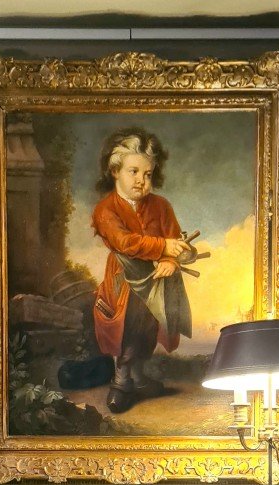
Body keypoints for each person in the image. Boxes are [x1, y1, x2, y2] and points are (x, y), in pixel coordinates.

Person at [91, 128, 193, 413]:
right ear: (115, 171)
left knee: (149, 326)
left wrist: (170, 261)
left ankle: (137, 377)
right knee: (128, 323)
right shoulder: (105, 210)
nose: (141, 180)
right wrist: (163, 247)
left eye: (147, 174)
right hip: (123, 280)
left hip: (157, 280)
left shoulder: (161, 206)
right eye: (133, 171)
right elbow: (124, 242)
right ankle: (122, 380)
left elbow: (176, 241)